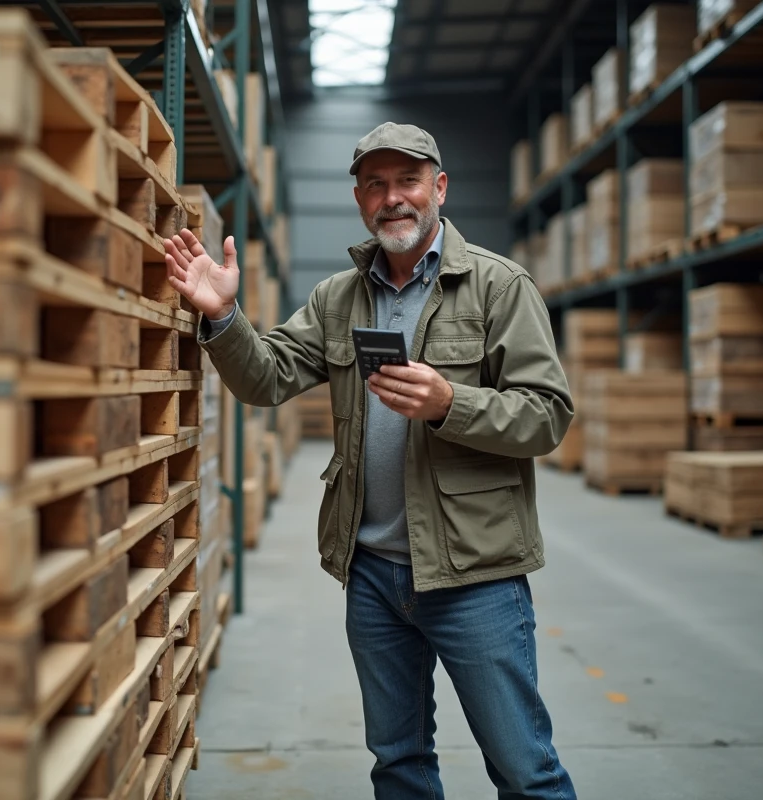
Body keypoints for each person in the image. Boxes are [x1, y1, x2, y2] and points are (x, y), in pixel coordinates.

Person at [163, 122, 577, 800]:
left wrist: (450, 403)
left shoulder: (498, 287)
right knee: (398, 764)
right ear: (359, 199)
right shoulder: (339, 298)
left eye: (408, 181)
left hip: (474, 576)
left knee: (524, 769)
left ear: (439, 188)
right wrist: (225, 317)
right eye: (376, 185)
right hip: (375, 576)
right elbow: (267, 379)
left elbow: (547, 414)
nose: (393, 198)